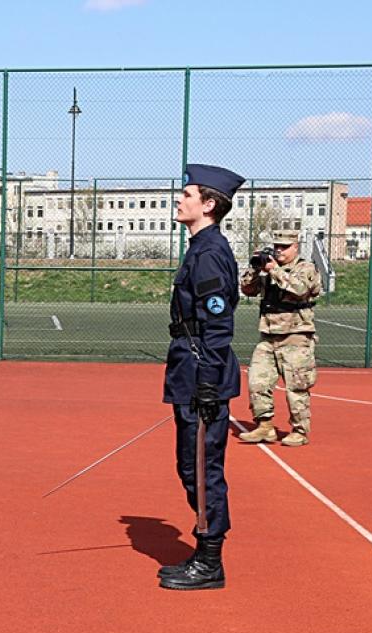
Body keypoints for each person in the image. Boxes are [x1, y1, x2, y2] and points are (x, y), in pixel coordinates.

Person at [157, 163, 243, 592]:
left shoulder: (208, 252)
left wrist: (208, 381)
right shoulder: (200, 248)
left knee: (201, 468)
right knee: (190, 466)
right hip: (190, 369)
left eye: (187, 194)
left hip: (199, 372)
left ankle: (210, 561)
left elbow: (217, 323)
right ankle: (204, 550)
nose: (179, 199)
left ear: (209, 204)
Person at [238, 232, 321, 447]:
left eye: (284, 247)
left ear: (296, 247)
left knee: (297, 387)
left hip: (296, 336)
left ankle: (299, 430)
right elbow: (247, 289)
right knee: (257, 381)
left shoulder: (306, 268)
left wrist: (274, 270)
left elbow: (299, 289)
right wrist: (255, 269)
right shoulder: (267, 269)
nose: (279, 251)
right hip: (268, 336)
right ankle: (265, 425)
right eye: (277, 246)